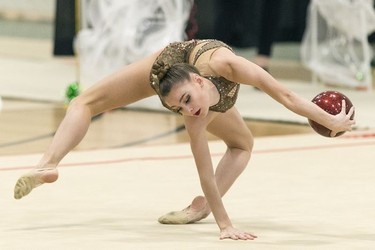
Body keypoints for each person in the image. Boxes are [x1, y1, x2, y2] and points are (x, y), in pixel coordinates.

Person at [13, 39, 355, 241]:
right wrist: (226, 225)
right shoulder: (194, 110)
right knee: (85, 102)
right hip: (164, 67)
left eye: (187, 103)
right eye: (179, 109)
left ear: (201, 80)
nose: (188, 113)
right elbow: (203, 168)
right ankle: (48, 165)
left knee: (242, 144)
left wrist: (330, 120)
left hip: (184, 71)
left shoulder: (227, 65)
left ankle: (201, 206)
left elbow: (285, 94)